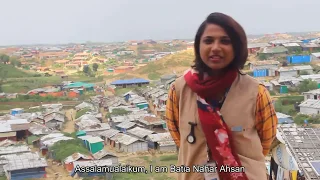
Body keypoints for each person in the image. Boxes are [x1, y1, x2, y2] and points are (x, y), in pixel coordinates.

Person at [166, 12, 278, 180]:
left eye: (225, 41)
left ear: (237, 47)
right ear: (198, 46)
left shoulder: (256, 92)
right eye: (208, 41)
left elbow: (266, 141)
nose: (216, 47)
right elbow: (178, 137)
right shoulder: (179, 90)